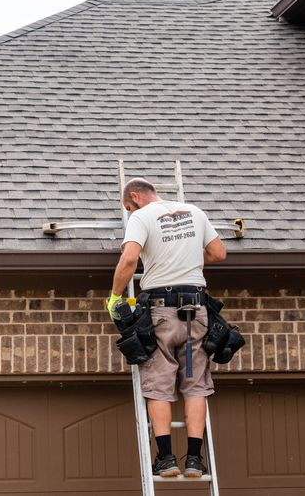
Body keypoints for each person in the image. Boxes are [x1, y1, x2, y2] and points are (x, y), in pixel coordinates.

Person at [106, 178, 227, 478]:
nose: (129, 210)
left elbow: (130, 258)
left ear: (134, 197)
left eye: (127, 206)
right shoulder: (195, 212)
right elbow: (218, 253)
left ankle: (167, 459)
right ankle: (196, 461)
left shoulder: (141, 217)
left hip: (161, 311)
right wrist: (185, 261)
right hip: (196, 311)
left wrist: (115, 296)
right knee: (195, 384)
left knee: (159, 385)